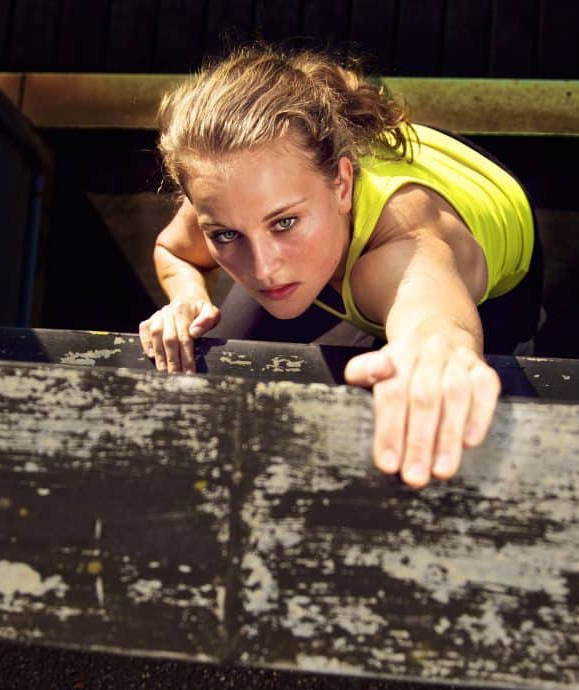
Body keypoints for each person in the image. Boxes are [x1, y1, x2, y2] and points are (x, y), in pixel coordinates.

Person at [139, 46, 543, 488]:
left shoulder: (400, 249)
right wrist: (188, 299)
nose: (264, 268)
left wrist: (441, 355)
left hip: (492, 234)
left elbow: (434, 315)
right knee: (217, 354)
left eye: (285, 223)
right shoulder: (231, 194)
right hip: (342, 194)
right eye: (226, 236)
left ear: (343, 185)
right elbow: (174, 251)